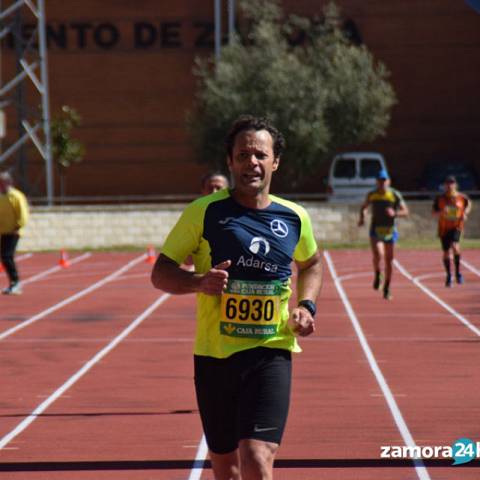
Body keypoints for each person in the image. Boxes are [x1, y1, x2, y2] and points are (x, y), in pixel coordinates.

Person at [151, 115, 322, 480]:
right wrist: (199, 283)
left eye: (260, 154)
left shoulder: (294, 217)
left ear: (275, 161)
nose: (252, 163)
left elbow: (311, 264)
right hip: (215, 357)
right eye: (243, 155)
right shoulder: (205, 212)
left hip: (271, 351)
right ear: (230, 161)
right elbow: (160, 273)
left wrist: (306, 306)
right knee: (226, 469)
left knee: (258, 456)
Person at [358, 169, 408, 300]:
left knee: (389, 261)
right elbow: (364, 206)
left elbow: (406, 211)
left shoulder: (394, 195)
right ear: (376, 182)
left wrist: (395, 213)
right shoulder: (372, 194)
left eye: (384, 180)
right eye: (380, 181)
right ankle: (377, 273)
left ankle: (387, 287)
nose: (382, 183)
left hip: (390, 231)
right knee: (379, 254)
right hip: (376, 229)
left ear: (388, 181)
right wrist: (362, 217)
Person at [432, 175, 472, 287]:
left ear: (455, 185)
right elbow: (433, 213)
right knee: (446, 252)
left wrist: (465, 213)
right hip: (444, 228)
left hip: (456, 227)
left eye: (452, 183)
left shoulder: (461, 198)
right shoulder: (440, 199)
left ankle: (458, 273)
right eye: (448, 183)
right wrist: (441, 213)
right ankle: (449, 275)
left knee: (455, 246)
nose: (450, 185)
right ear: (445, 185)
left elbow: (468, 204)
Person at [0, 172, 29, 295]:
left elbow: (23, 214)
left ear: (7, 183)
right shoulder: (2, 197)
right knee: (5, 257)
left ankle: (16, 283)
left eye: (1, 183)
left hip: (14, 231)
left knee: (7, 256)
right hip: (3, 231)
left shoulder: (16, 196)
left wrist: (18, 226)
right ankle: (14, 283)